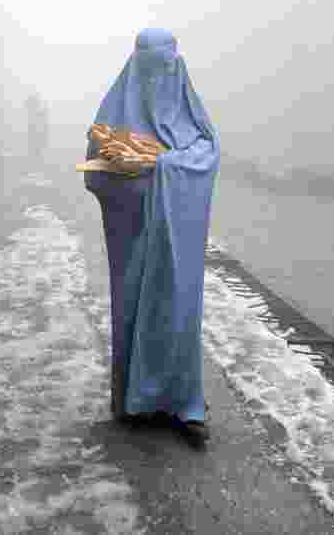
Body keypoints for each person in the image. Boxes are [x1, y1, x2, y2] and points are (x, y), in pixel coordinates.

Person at [83, 28, 220, 448]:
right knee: (133, 308)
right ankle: (134, 402)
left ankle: (184, 405)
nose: (158, 78)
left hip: (178, 238)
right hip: (134, 236)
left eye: (164, 68)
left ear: (176, 65)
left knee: (176, 309)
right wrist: (130, 170)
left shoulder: (189, 112)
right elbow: (95, 166)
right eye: (150, 70)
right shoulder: (115, 113)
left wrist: (167, 167)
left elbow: (209, 153)